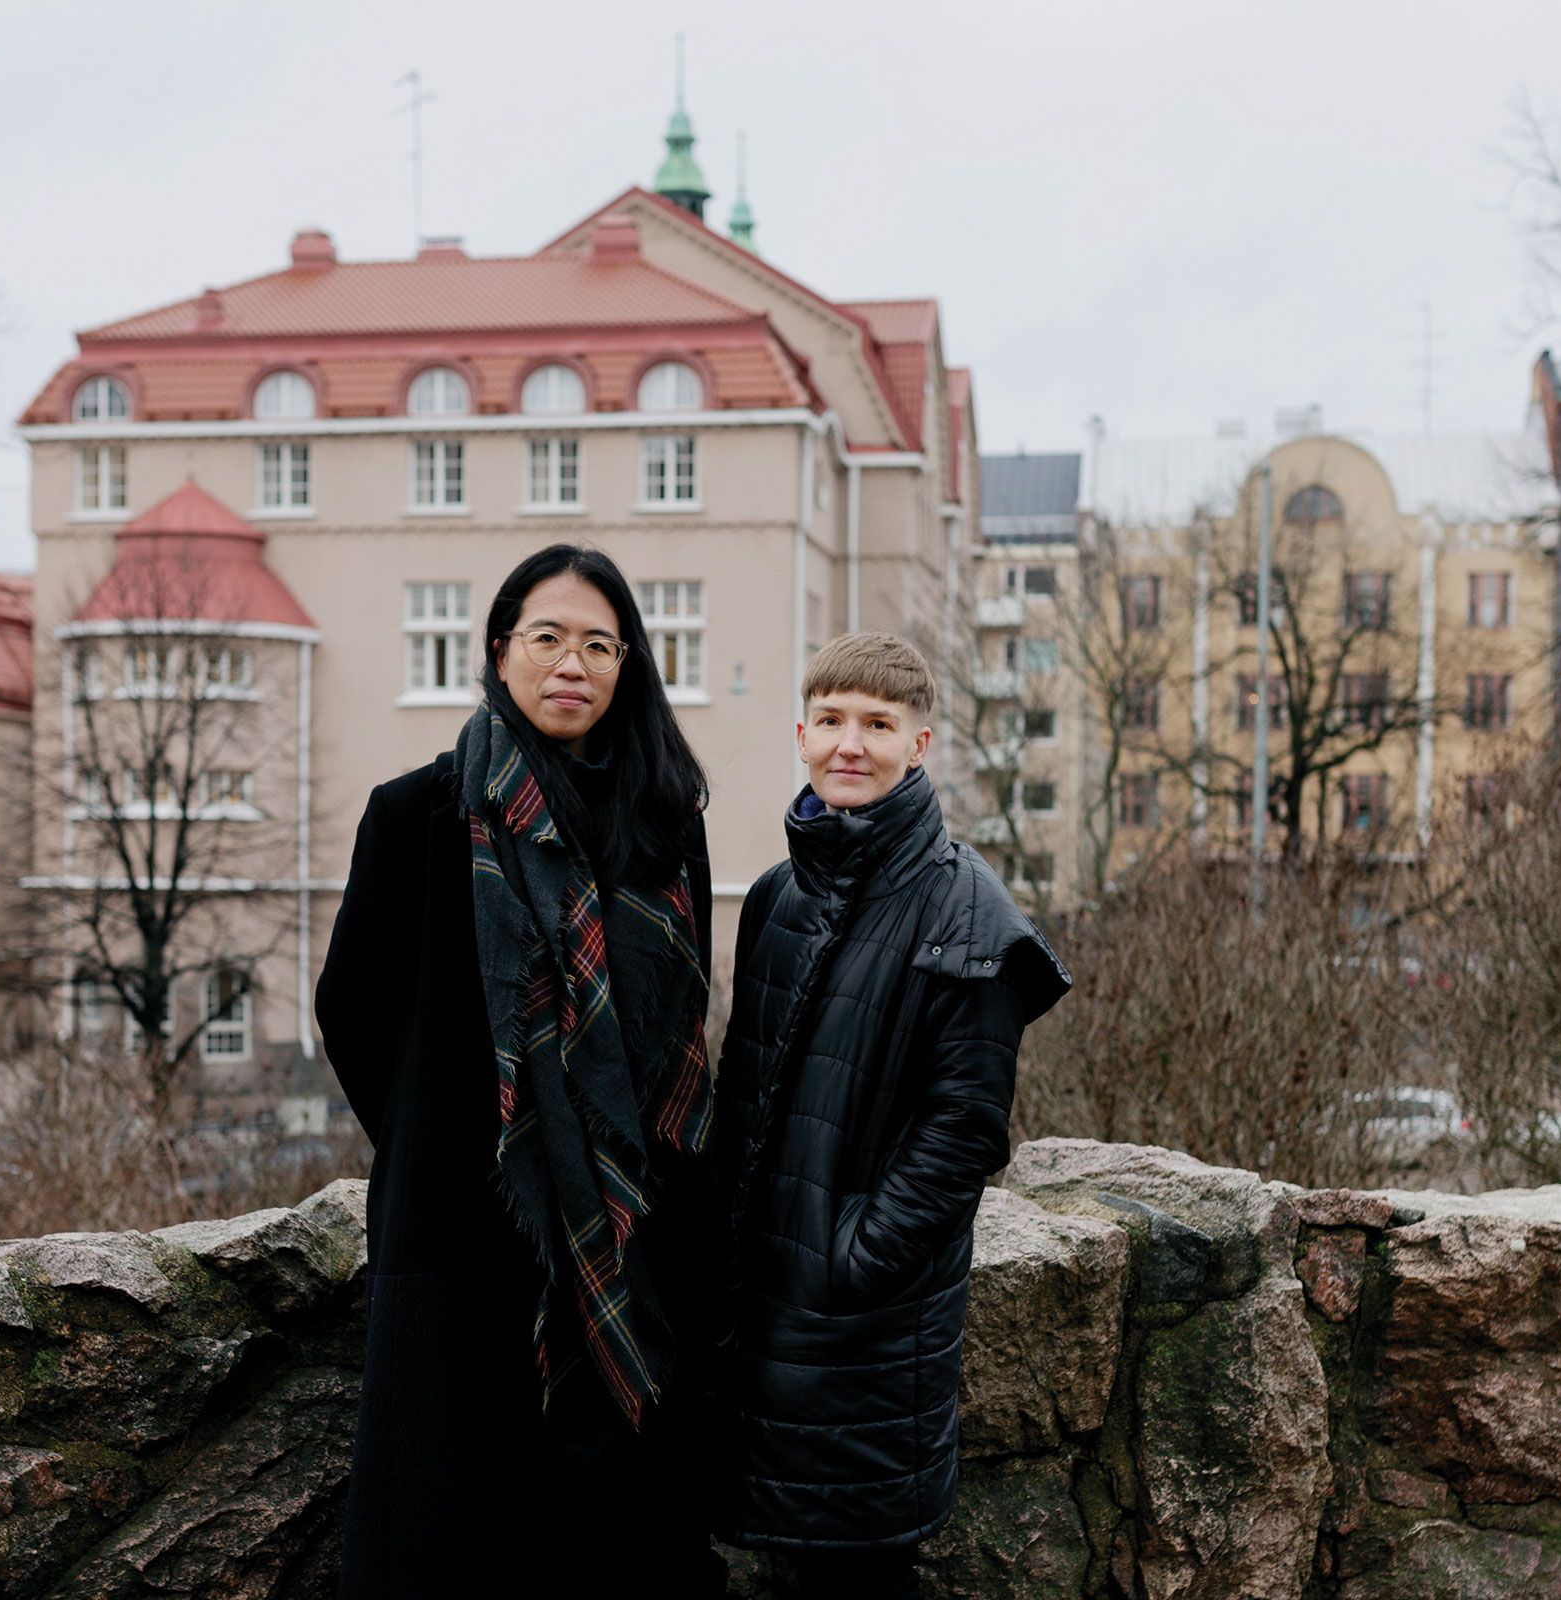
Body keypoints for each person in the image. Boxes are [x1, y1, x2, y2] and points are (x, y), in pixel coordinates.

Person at [315, 543, 725, 1598]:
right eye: (546, 637)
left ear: (627, 664)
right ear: (498, 652)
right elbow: (350, 1009)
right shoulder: (414, 815)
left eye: (598, 643)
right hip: (458, 1227)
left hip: (632, 1235)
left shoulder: (664, 824)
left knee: (615, 1538)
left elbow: (685, 1021)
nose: (570, 663)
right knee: (457, 1533)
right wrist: (443, 1137)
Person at [711, 631, 1070, 1599]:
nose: (849, 744)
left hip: (862, 1332)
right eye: (830, 720)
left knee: (856, 1576)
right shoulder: (778, 896)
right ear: (800, 733)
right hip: (755, 1317)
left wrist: (849, 1261)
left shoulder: (967, 911)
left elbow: (963, 1133)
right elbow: (742, 1095)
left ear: (919, 744)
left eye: (876, 724)